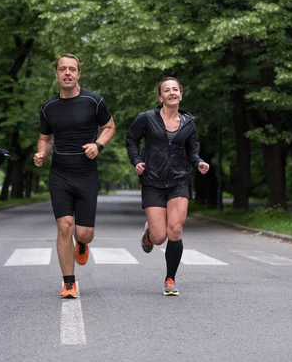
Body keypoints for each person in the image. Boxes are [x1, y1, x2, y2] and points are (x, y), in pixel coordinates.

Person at [33, 54, 116, 299]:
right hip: (60, 173)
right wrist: (41, 153)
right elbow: (45, 139)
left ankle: (81, 243)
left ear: (79, 74)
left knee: (83, 233)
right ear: (57, 74)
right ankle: (69, 282)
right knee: (64, 226)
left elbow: (109, 127)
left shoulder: (94, 101)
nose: (67, 73)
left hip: (86, 174)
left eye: (72, 69)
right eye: (62, 69)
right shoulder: (48, 108)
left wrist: (98, 145)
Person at [126, 77, 210, 296]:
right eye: (167, 90)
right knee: (159, 236)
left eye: (175, 89)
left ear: (180, 94)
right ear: (160, 97)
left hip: (178, 181)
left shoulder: (188, 123)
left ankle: (170, 279)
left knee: (176, 229)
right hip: (152, 181)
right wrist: (136, 161)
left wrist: (199, 162)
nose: (171, 93)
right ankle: (149, 235)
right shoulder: (146, 119)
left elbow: (193, 150)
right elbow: (131, 139)